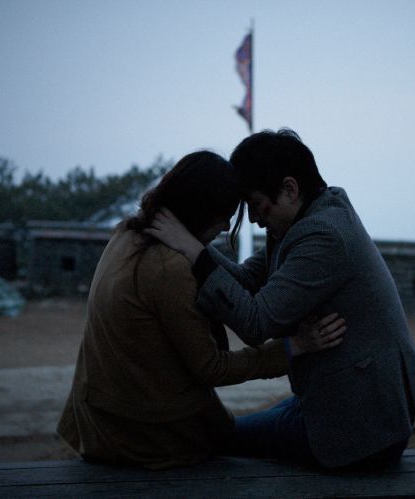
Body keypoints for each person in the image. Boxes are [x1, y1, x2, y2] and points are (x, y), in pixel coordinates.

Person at [146, 129, 415, 469]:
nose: (253, 219)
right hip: (342, 402)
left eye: (255, 205)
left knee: (216, 438)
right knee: (222, 427)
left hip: (361, 429)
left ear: (289, 189)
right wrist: (193, 242)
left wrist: (192, 250)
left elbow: (256, 323)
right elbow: (245, 281)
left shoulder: (323, 235)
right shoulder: (306, 216)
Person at [56, 150, 345, 469]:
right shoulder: (168, 269)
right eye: (225, 215)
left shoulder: (126, 234)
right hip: (145, 437)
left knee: (290, 412)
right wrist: (294, 346)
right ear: (201, 209)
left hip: (98, 420)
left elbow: (241, 278)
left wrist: (194, 248)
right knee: (281, 429)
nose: (227, 226)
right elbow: (212, 367)